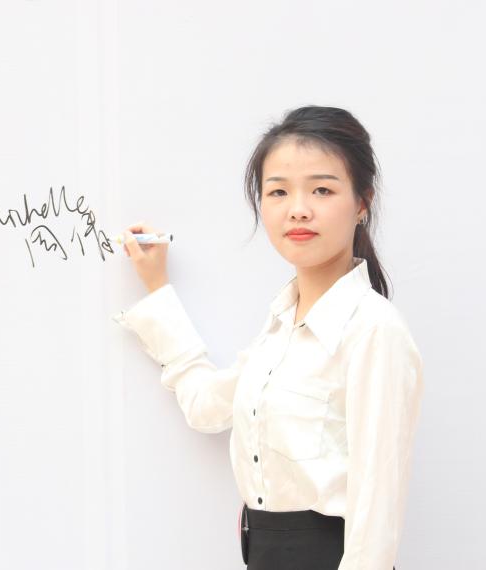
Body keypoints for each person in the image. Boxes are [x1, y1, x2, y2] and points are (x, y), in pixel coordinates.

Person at [112, 106, 424, 569]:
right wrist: (157, 290)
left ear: (362, 203)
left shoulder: (373, 330)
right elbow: (206, 406)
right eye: (278, 191)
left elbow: (376, 520)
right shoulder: (279, 328)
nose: (298, 208)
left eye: (322, 189)